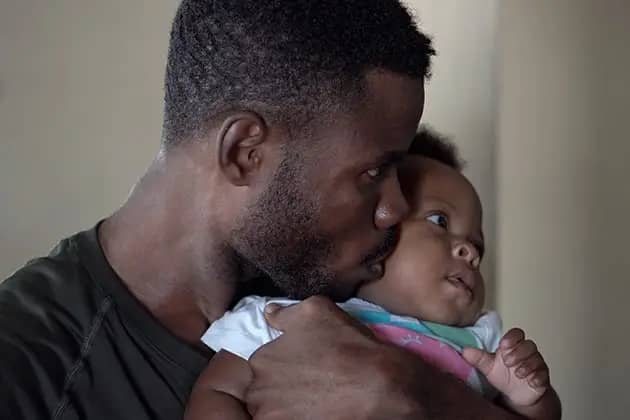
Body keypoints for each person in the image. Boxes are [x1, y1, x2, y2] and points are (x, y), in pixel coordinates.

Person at [0, 1, 531, 419]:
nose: (395, 208)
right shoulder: (31, 371)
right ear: (244, 152)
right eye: (373, 172)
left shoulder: (339, 282)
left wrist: (428, 400)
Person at [186, 128, 562, 420]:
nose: (469, 252)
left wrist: (532, 398)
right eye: (439, 221)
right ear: (378, 236)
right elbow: (217, 393)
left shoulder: (483, 341)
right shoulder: (291, 318)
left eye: (477, 245)